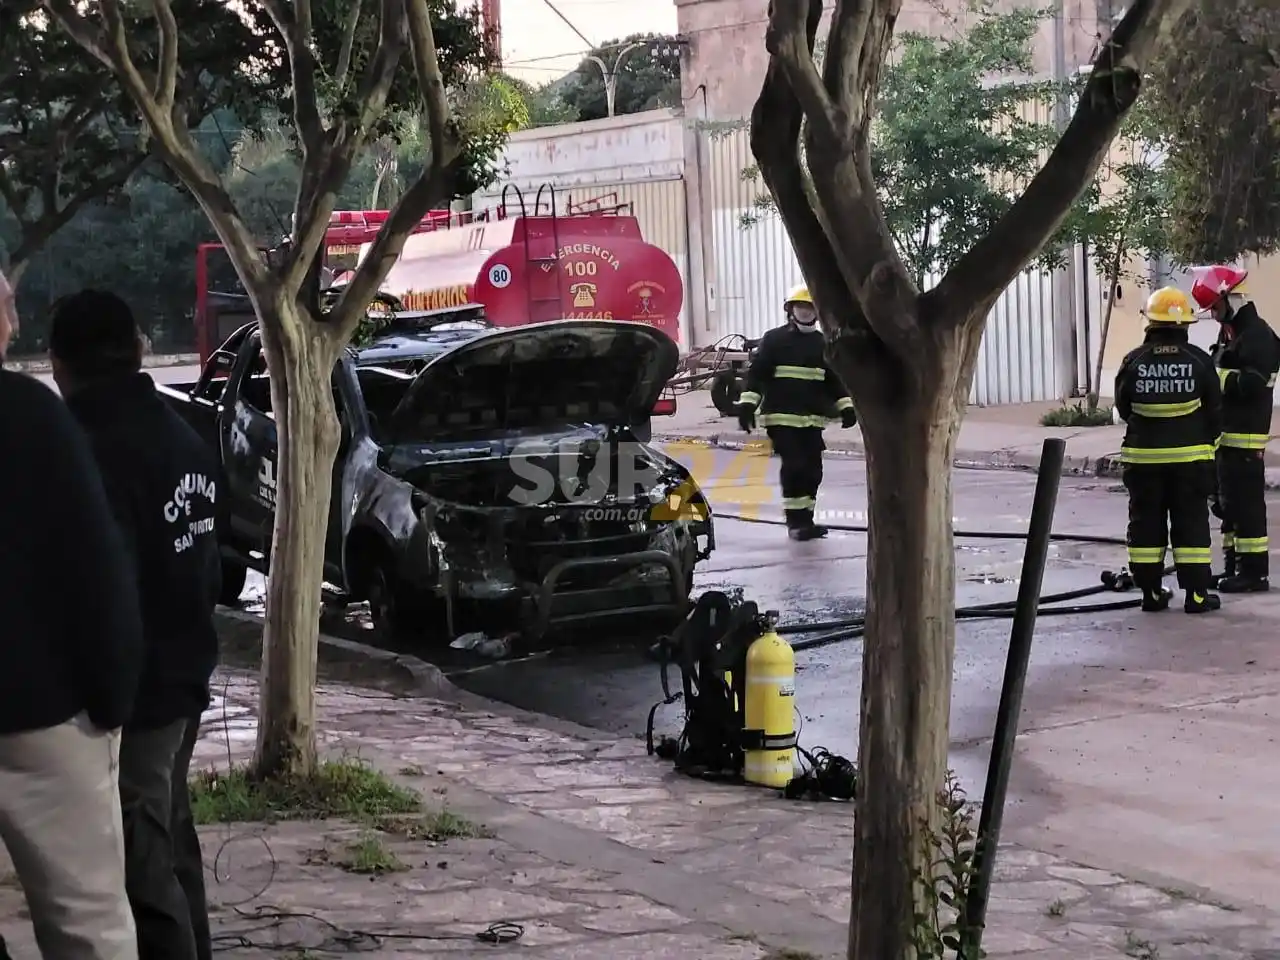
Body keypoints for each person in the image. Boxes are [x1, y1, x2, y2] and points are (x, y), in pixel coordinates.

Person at [48, 290, 220, 960]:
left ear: (59, 364)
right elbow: (209, 565)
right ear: (139, 349)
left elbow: (103, 589)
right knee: (170, 840)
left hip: (136, 692)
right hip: (186, 671)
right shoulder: (182, 434)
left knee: (144, 864)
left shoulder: (88, 452)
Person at [0, 267, 143, 959]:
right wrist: (112, 699)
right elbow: (96, 569)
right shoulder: (30, 414)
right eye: (5, 305)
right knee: (88, 927)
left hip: (40, 708)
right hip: (42, 718)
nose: (14, 322)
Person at [1114, 286, 1223, 614]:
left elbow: (1124, 407)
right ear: (1184, 325)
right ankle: (1197, 596)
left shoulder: (1133, 361)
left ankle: (1150, 594)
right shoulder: (1200, 361)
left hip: (1143, 462)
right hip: (1191, 462)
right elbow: (1215, 411)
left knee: (1145, 524)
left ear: (1150, 323)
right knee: (1191, 525)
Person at [735, 284, 856, 541]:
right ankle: (795, 523)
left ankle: (806, 521)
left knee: (813, 471)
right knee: (795, 466)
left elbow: (833, 380)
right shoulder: (774, 340)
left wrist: (846, 407)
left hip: (812, 420)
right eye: (800, 306)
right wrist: (747, 405)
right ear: (790, 310)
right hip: (782, 418)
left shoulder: (823, 343)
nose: (805, 311)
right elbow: (757, 376)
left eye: (809, 307)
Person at [1191, 265, 1279, 593]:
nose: (1213, 315)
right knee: (1227, 506)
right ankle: (1233, 566)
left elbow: (1253, 383)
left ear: (1230, 298)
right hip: (1226, 437)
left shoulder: (1257, 335)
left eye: (1214, 307)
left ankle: (1253, 573)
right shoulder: (1231, 331)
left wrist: (1214, 378)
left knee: (1246, 507)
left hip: (1245, 438)